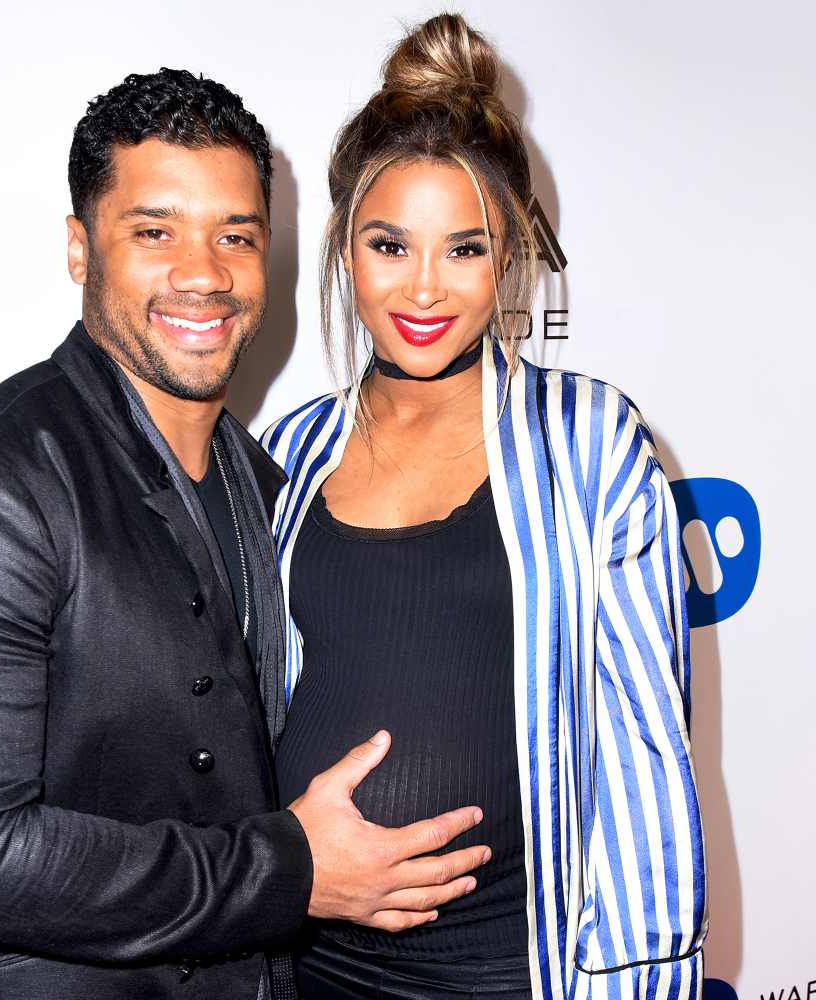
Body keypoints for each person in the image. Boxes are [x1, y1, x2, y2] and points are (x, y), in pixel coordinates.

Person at [0, 68, 493, 1000]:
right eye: (155, 232)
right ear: (80, 248)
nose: (204, 272)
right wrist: (292, 870)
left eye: (237, 236)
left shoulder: (270, 478)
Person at [264, 14, 708, 1000]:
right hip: (306, 969)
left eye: (461, 249)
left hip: (510, 975)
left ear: (507, 252)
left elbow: (644, 762)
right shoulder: (286, 455)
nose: (424, 286)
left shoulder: (588, 442)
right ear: (344, 247)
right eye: (390, 244)